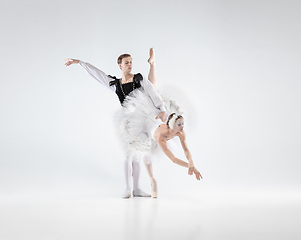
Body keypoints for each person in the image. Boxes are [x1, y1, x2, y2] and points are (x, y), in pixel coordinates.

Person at [64, 49, 166, 198]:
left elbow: (152, 91)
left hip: (143, 120)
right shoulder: (115, 84)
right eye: (126, 62)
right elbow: (97, 74)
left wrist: (162, 108)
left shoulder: (139, 79)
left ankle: (137, 189)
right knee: (128, 156)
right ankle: (128, 188)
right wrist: (79, 62)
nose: (130, 64)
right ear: (120, 65)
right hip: (128, 124)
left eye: (131, 62)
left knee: (139, 155)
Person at [115, 51, 203, 198]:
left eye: (182, 124)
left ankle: (153, 64)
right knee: (144, 154)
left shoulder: (180, 131)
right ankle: (150, 179)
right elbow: (173, 159)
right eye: (180, 125)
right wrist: (190, 167)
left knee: (153, 90)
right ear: (172, 125)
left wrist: (191, 162)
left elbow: (186, 149)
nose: (182, 128)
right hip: (143, 120)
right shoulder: (161, 138)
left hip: (153, 117)